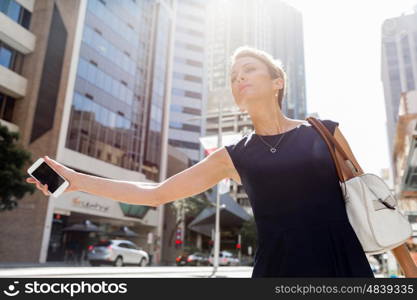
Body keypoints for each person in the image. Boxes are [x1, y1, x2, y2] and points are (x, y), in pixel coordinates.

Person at [27, 46, 417, 278]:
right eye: (233, 76)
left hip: (342, 265)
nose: (239, 78)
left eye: (249, 70)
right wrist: (77, 181)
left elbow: (375, 204)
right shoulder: (234, 156)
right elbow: (156, 194)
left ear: (277, 81)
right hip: (276, 272)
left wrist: (409, 270)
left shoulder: (323, 131)